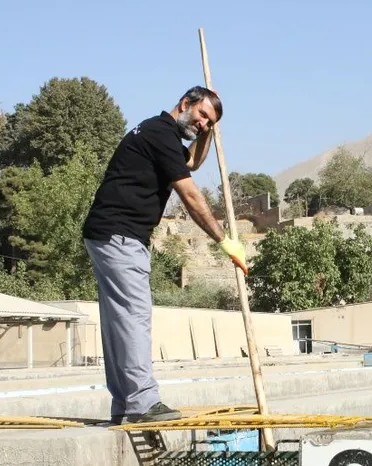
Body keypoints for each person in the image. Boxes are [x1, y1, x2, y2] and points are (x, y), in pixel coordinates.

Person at [81, 85, 247, 424]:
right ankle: (142, 403)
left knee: (118, 322)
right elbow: (190, 193)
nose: (202, 124)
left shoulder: (160, 135)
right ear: (185, 103)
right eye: (202, 115)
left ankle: (125, 405)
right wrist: (224, 240)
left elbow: (191, 162)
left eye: (209, 123)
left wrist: (207, 134)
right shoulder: (160, 134)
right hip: (120, 234)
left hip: (107, 232)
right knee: (134, 317)